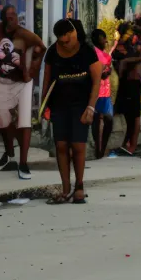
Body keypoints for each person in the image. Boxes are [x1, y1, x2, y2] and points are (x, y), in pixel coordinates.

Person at [42, 19, 101, 205]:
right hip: (59, 106)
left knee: (78, 147)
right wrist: (44, 106)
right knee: (61, 146)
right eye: (62, 41)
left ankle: (80, 186)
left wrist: (91, 107)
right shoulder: (52, 52)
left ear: (75, 34)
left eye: (68, 40)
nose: (65, 44)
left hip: (81, 106)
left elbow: (97, 81)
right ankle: (65, 189)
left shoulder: (87, 52)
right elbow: (47, 80)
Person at [0, 5, 45, 180]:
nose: (13, 18)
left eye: (15, 15)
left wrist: (32, 70)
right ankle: (9, 154)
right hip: (3, 81)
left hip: (22, 83)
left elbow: (41, 48)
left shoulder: (25, 34)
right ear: (3, 18)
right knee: (3, 120)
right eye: (9, 15)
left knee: (24, 121)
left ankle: (23, 163)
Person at [112, 17, 141, 155]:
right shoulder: (127, 42)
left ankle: (131, 145)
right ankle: (126, 144)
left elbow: (139, 57)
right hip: (125, 82)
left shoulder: (135, 41)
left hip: (132, 81)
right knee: (127, 115)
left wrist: (124, 62)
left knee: (133, 116)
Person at [90, 29, 114, 160]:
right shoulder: (93, 54)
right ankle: (98, 150)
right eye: (103, 38)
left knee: (107, 120)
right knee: (98, 120)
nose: (105, 41)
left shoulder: (104, 55)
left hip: (105, 91)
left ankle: (101, 149)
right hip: (97, 91)